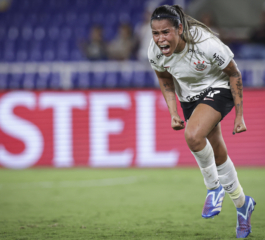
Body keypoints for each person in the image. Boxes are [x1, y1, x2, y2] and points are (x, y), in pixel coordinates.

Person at [148, 5, 256, 239]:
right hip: (189, 97)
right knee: (217, 152)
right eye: (155, 34)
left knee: (193, 135)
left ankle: (213, 188)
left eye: (165, 32)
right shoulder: (154, 51)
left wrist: (239, 115)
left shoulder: (206, 43)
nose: (160, 39)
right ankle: (242, 204)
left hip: (219, 87)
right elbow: (164, 77)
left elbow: (234, 73)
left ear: (179, 28)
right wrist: (173, 110)